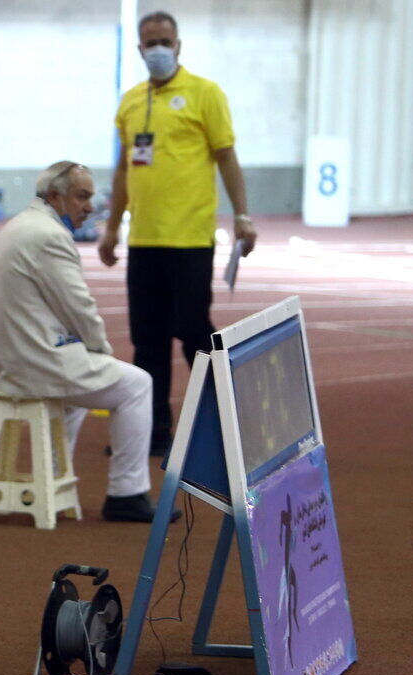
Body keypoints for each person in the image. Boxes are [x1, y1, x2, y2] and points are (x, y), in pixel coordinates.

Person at [98, 10, 257, 457]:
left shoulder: (205, 94)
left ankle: (226, 418)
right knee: (147, 340)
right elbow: (123, 170)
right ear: (139, 49)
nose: (158, 49)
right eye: (149, 43)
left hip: (190, 240)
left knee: (192, 329)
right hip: (144, 242)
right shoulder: (130, 102)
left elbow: (226, 157)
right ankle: (150, 431)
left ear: (179, 45)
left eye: (165, 40)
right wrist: (112, 227)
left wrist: (242, 215)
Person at [0, 161, 179, 524]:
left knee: (80, 389)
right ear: (55, 196)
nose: (90, 206)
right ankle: (127, 493)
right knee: (138, 384)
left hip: (12, 359)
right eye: (83, 196)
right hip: (36, 361)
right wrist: (101, 350)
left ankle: (56, 479)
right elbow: (80, 307)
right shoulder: (49, 235)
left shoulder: (21, 225)